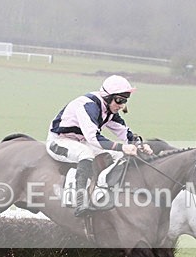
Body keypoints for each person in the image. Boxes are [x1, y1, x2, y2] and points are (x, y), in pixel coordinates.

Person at [46, 75, 152, 217]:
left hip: (81, 141)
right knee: (86, 154)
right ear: (107, 97)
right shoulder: (88, 106)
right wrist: (122, 147)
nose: (121, 105)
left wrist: (139, 144)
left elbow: (124, 132)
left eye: (125, 101)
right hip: (59, 141)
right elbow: (93, 137)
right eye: (119, 100)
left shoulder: (109, 110)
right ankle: (80, 200)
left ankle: (103, 190)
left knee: (120, 156)